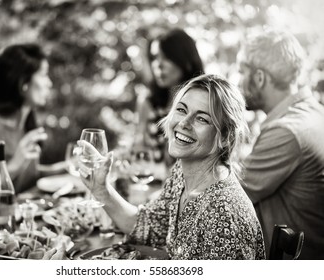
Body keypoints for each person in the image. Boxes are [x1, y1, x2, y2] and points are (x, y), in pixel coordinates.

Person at [78, 74, 265, 260]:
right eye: (182, 110)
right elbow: (149, 225)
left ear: (225, 137)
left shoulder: (224, 214)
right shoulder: (182, 173)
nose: (184, 123)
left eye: (202, 119)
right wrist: (101, 189)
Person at [237, 29, 324, 259]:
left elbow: (229, 198)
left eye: (241, 72)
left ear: (259, 77)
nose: (237, 82)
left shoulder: (285, 131)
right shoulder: (313, 112)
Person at [0, 44, 67, 193]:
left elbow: (30, 177)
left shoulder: (26, 124)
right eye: (43, 75)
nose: (49, 83)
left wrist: (66, 167)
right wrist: (13, 167)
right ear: (23, 83)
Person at [134, 28, 204, 164]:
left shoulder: (204, 104)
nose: (158, 65)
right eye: (154, 57)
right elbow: (138, 151)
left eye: (166, 58)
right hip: (151, 181)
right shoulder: (148, 102)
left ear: (185, 61)